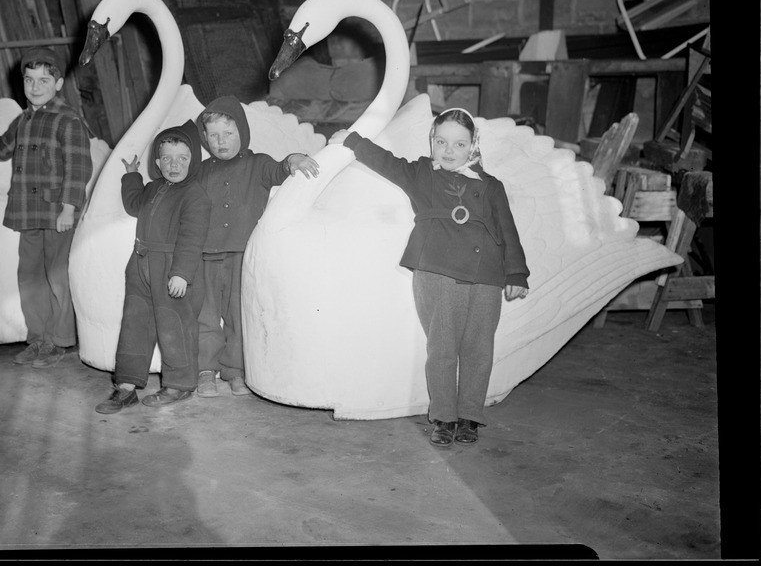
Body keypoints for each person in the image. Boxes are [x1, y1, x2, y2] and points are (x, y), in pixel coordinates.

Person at [330, 107, 529, 448]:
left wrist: (516, 272)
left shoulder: (491, 186)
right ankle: (444, 416)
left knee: (479, 349)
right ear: (432, 141)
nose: (449, 151)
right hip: (437, 270)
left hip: (486, 275)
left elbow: (508, 231)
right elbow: (386, 162)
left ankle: (469, 417)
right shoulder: (421, 173)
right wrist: (352, 140)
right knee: (442, 348)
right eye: (442, 141)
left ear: (473, 147)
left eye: (459, 144)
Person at [0, 47, 92, 369]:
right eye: (30, 80)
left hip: (57, 213)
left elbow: (79, 169)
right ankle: (38, 338)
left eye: (44, 80)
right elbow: (1, 148)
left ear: (58, 84)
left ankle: (60, 341)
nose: (36, 86)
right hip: (28, 212)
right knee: (29, 278)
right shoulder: (24, 119)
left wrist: (69, 209)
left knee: (56, 277)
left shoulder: (68, 121)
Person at [192, 96, 320, 398]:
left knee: (239, 315)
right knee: (205, 316)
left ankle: (235, 371)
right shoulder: (200, 170)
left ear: (243, 133)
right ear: (205, 138)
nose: (221, 141)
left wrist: (295, 160)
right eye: (213, 135)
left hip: (242, 256)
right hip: (204, 256)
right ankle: (205, 371)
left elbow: (279, 169)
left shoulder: (257, 163)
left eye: (228, 133)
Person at [95, 120, 211, 413]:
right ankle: (126, 385)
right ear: (157, 162)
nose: (174, 165)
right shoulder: (153, 188)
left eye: (182, 158)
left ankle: (179, 385)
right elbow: (134, 204)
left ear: (193, 161)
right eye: (167, 159)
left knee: (174, 326)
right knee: (135, 324)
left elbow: (192, 237)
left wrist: (182, 273)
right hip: (140, 265)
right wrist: (132, 176)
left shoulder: (194, 195)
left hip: (172, 269)